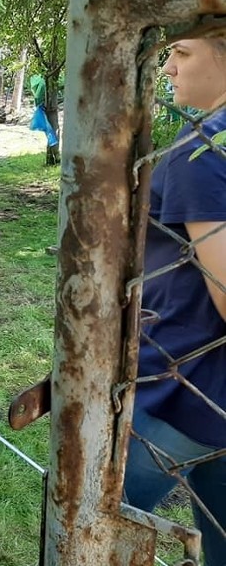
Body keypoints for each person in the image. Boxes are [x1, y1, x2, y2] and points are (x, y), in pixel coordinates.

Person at [123, 36, 226, 565]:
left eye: (182, 52)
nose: (166, 65)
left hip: (182, 391)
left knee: (93, 521)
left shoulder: (205, 151)